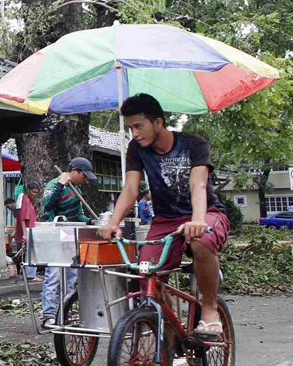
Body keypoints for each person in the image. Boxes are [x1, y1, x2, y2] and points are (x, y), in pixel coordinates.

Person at [98, 93, 229, 337]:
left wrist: (198, 219)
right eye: (130, 128)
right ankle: (174, 333)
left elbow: (198, 184)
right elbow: (131, 189)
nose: (134, 133)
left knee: (200, 242)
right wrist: (113, 222)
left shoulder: (194, 144)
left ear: (158, 122)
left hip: (206, 213)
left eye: (138, 126)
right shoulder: (136, 149)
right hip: (166, 220)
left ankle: (209, 309)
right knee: (146, 271)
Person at [40, 157, 96, 329]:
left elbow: (78, 215)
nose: (85, 180)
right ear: (74, 171)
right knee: (54, 276)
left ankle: (65, 312)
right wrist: (61, 185)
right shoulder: (54, 184)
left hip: (70, 237)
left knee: (71, 277)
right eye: (84, 176)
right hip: (54, 235)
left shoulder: (76, 189)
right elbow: (47, 205)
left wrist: (90, 222)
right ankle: (48, 316)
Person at [14, 181, 42, 282]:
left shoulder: (28, 200)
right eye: (33, 192)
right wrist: (25, 234)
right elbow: (22, 218)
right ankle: (30, 275)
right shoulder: (24, 200)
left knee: (31, 252)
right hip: (27, 231)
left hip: (30, 230)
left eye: (36, 193)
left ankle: (31, 274)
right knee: (31, 253)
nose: (34, 194)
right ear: (28, 190)